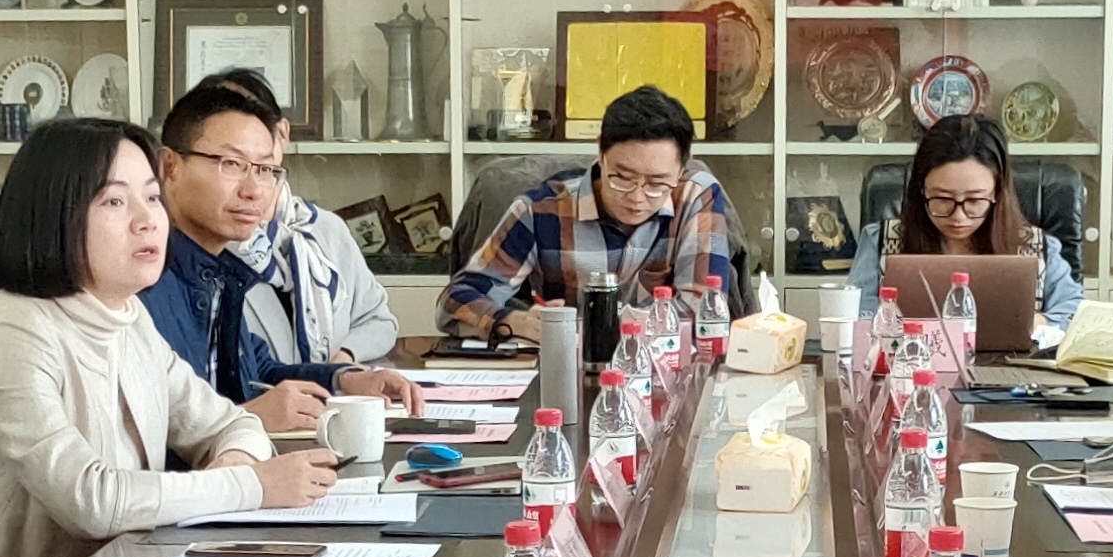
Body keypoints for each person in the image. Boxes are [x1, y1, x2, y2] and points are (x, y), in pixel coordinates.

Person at [0, 118, 335, 557]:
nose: (147, 221)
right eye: (115, 202)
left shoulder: (126, 315)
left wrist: (232, 469)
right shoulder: (10, 331)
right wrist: (248, 485)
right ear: (55, 217)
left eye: (152, 197)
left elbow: (231, 424)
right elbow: (90, 501)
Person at [141, 73, 420, 435]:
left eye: (265, 170)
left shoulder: (220, 273)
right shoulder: (144, 279)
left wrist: (345, 380)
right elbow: (145, 433)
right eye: (232, 164)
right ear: (169, 168)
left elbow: (258, 369)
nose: (254, 190)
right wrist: (249, 417)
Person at [441, 87, 739, 338]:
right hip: (568, 370)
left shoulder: (696, 196)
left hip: (664, 369)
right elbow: (454, 302)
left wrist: (607, 329)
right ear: (601, 153)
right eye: (622, 177)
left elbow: (704, 313)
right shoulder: (542, 210)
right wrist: (515, 321)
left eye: (657, 183)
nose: (637, 197)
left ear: (683, 167)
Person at [845, 113, 1082, 337]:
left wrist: (1040, 322)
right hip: (909, 364)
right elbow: (855, 317)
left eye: (975, 200)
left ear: (997, 193)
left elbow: (1075, 315)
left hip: (1013, 366)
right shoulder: (880, 241)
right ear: (921, 190)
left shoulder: (1037, 248)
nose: (959, 217)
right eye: (942, 199)